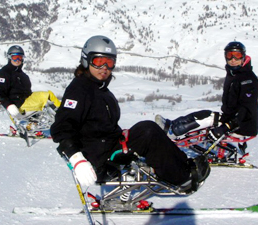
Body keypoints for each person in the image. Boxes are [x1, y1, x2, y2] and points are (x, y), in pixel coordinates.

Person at [50, 35, 210, 189]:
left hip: (108, 144)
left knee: (148, 129)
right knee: (148, 132)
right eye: (99, 61)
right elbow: (62, 128)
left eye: (109, 62)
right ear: (86, 60)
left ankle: (183, 165)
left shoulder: (97, 87)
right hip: (99, 157)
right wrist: (77, 159)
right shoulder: (79, 90)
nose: (104, 68)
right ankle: (182, 177)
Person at [156, 41, 258, 142]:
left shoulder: (248, 80)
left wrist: (226, 127)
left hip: (243, 125)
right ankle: (172, 125)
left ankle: (172, 133)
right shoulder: (235, 74)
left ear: (243, 56)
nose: (233, 59)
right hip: (232, 119)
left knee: (207, 119)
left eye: (237, 55)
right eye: (229, 55)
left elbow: (246, 110)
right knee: (203, 114)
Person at [0, 45, 61, 119]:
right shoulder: (4, 73)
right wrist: (9, 105)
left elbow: (28, 92)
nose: (17, 60)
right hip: (17, 105)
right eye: (14, 57)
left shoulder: (23, 75)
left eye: (20, 57)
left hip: (26, 101)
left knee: (48, 98)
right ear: (9, 58)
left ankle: (40, 124)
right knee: (46, 97)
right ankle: (64, 117)